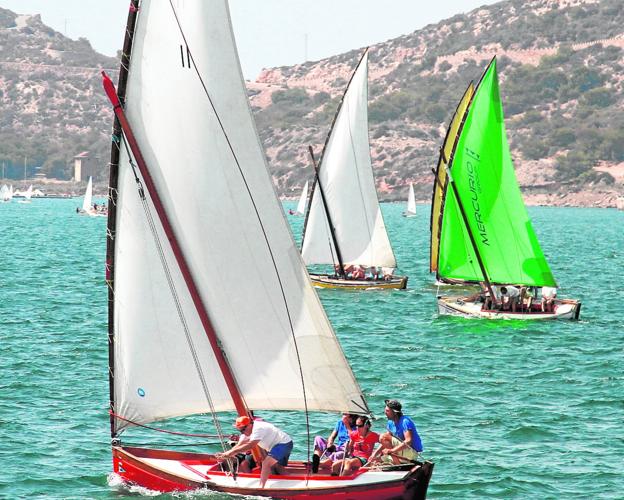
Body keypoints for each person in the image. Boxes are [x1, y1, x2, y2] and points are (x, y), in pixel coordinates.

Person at [216, 416, 293, 488]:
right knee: (277, 467)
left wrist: (231, 453)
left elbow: (251, 445)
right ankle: (291, 481)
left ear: (249, 425)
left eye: (243, 430)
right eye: (240, 430)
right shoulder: (247, 431)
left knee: (266, 463)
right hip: (276, 446)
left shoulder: (258, 429)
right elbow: (239, 445)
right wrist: (226, 454)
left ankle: (261, 488)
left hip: (284, 444)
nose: (242, 432)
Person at [369, 399, 423, 465]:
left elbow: (408, 441)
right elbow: (385, 441)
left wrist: (392, 451)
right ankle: (396, 461)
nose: (385, 412)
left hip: (411, 453)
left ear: (395, 412)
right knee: (375, 460)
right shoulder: (390, 422)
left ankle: (397, 464)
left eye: (387, 411)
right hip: (401, 452)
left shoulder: (405, 421)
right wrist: (374, 454)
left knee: (383, 436)